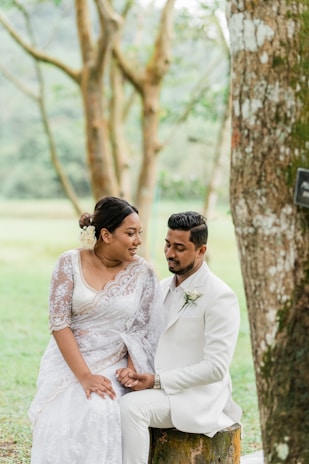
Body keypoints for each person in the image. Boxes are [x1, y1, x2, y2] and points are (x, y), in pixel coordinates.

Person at [28, 196, 165, 464]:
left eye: (139, 233)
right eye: (130, 233)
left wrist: (131, 368)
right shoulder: (69, 263)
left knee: (100, 409)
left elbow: (144, 330)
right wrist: (85, 376)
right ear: (106, 235)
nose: (138, 240)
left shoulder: (144, 272)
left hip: (115, 360)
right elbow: (59, 324)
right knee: (63, 411)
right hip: (70, 359)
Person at [117, 211, 242, 464]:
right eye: (167, 244)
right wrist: (132, 370)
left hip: (195, 397)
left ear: (200, 250)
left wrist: (157, 381)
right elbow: (145, 338)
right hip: (160, 389)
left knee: (131, 408)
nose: (169, 253)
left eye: (179, 247)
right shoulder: (162, 287)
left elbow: (216, 368)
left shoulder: (220, 296)